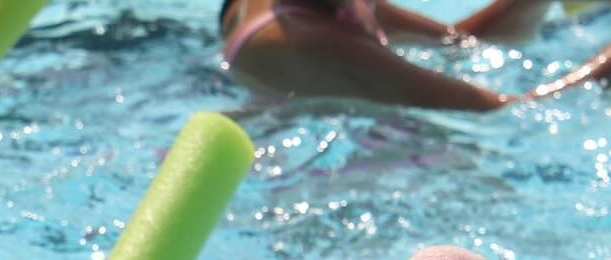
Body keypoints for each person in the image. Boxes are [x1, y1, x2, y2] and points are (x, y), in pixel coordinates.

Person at [219, 0, 611, 110]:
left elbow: (461, 44)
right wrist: (600, 67)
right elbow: (501, 109)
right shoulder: (304, 40)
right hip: (312, 176)